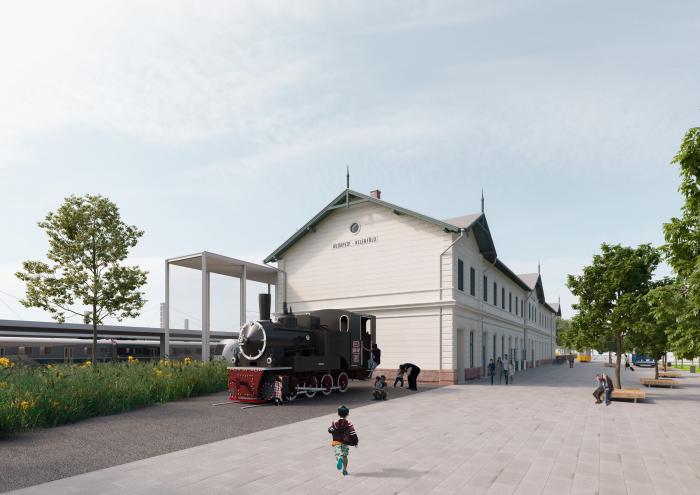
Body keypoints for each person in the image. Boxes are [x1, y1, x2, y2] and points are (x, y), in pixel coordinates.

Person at [328, 405, 358, 476]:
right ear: (348, 414)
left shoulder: (335, 423)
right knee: (345, 456)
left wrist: (331, 429)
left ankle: (339, 458)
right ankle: (344, 470)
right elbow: (353, 434)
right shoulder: (349, 425)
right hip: (345, 442)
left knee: (338, 454)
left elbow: (330, 430)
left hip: (336, 442)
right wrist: (355, 442)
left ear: (338, 414)